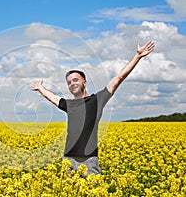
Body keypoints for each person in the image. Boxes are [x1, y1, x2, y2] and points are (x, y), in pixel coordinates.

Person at [31, 41, 155, 176]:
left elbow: (119, 78)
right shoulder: (69, 104)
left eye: (75, 80)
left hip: (89, 160)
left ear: (85, 82)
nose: (72, 83)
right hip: (68, 159)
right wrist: (40, 88)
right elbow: (52, 97)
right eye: (69, 82)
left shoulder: (96, 100)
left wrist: (137, 56)